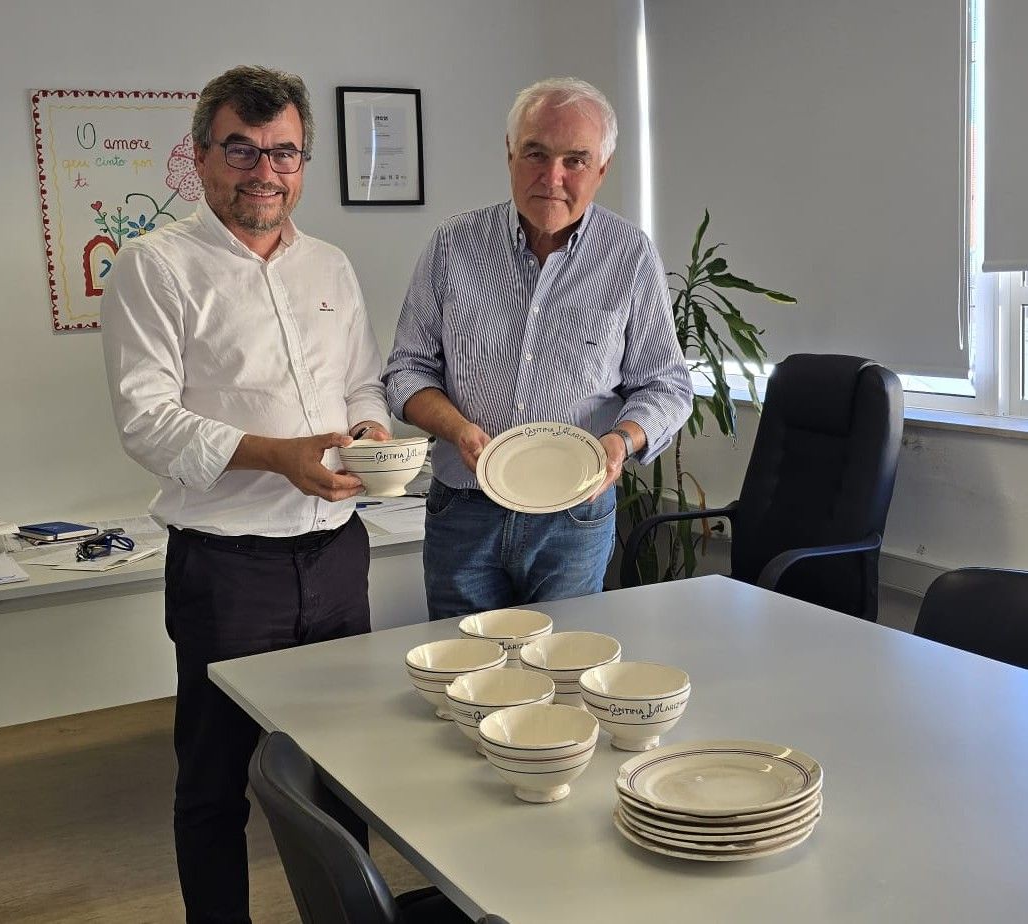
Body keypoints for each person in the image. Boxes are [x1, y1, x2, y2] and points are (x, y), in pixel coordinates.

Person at [100, 65, 390, 923]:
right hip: (228, 572)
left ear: (302, 162)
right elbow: (146, 421)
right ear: (200, 157)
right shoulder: (155, 267)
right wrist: (275, 457)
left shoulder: (330, 265)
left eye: (283, 152)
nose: (264, 171)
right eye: (241, 150)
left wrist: (369, 431)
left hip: (336, 555)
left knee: (344, 767)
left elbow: (362, 383)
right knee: (214, 784)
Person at [383, 76, 692, 621]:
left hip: (573, 515)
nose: (553, 178)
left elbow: (666, 385)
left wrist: (621, 441)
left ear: (602, 169)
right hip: (464, 508)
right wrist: (457, 428)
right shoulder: (453, 245)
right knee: (463, 661)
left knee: (564, 662)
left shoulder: (629, 255)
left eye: (576, 160)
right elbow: (407, 370)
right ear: (509, 154)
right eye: (536, 154)